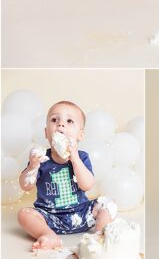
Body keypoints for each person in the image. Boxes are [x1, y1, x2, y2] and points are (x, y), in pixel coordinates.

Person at [17, 100, 115, 250]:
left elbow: (87, 185)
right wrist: (32, 166)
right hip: (49, 217)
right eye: (54, 120)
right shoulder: (41, 158)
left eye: (69, 121)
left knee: (107, 203)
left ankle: (101, 235)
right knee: (24, 214)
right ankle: (48, 235)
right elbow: (26, 186)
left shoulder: (82, 157)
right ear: (46, 132)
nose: (61, 125)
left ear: (80, 135)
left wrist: (74, 158)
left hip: (82, 214)